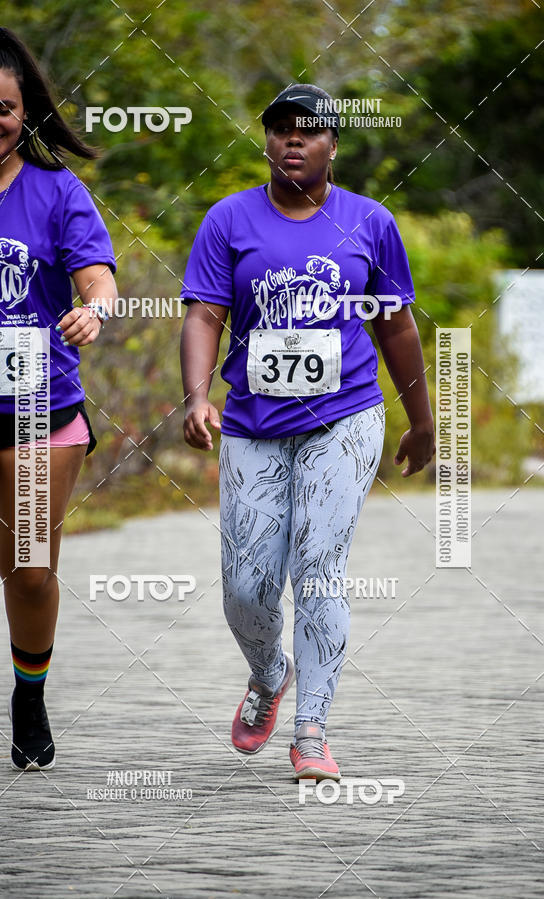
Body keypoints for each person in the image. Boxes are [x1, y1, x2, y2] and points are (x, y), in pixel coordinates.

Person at [180, 84, 435, 781]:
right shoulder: (229, 220)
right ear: (265, 140)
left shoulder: (371, 222)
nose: (294, 140)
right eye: (281, 129)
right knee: (244, 584)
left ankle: (313, 726)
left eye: (310, 131)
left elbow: (395, 324)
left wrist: (423, 420)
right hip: (254, 424)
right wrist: (197, 396)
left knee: (318, 570)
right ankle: (270, 671)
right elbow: (204, 314)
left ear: (332, 145)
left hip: (345, 418)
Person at [0, 27, 117, 788]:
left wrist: (95, 311)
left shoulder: (57, 190)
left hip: (42, 406)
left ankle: (32, 695)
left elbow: (100, 279)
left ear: (27, 112)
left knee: (30, 568)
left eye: (4, 110)